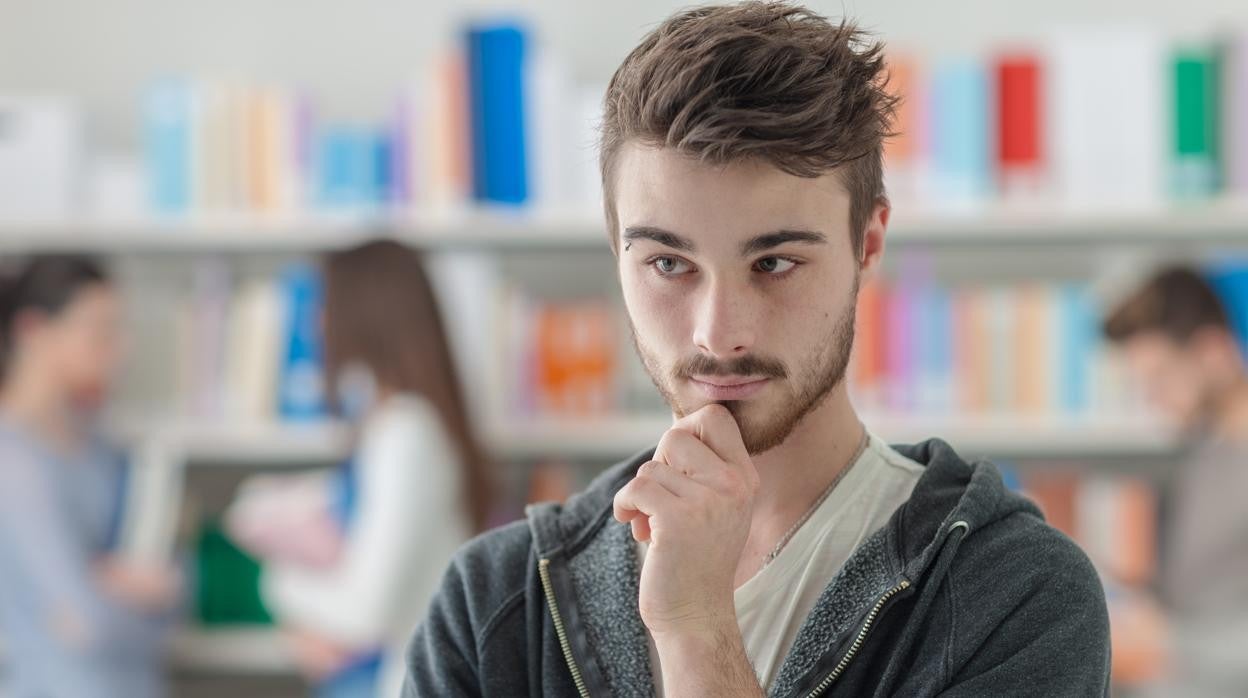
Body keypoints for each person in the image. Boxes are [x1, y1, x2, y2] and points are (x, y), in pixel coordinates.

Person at [405, 3, 1110, 696]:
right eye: (668, 264)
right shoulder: (491, 607)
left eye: (773, 263)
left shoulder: (1014, 594)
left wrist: (695, 627)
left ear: (868, 244)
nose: (718, 333)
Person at [226, 239, 491, 698]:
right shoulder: (398, 426)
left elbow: (369, 609)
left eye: (325, 304)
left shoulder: (405, 433)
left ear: (364, 314)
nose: (318, 322)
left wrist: (276, 583)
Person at [0, 255, 177, 698]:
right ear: (33, 332)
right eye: (100, 330)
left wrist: (120, 589)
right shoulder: (13, 461)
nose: (120, 349)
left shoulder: (103, 449)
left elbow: (174, 588)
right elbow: (86, 623)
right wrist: (134, 594)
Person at [1102, 265, 1248, 695]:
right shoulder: (1204, 459)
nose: (1154, 400)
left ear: (1213, 352)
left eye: (1160, 377)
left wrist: (1168, 645)